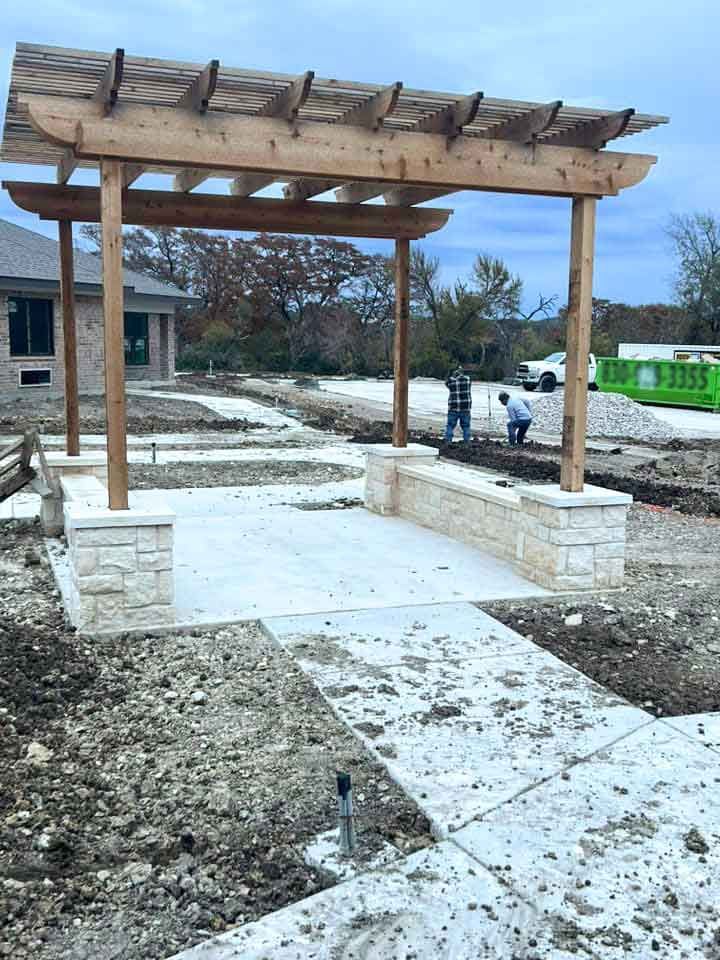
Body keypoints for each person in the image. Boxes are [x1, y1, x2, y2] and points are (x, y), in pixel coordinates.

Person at [444, 366, 472, 443]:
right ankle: (467, 442)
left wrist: (452, 376)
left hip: (453, 407)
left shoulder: (450, 381)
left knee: (450, 426)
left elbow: (446, 383)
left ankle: (448, 442)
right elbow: (468, 379)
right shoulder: (468, 380)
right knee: (466, 426)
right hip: (465, 407)